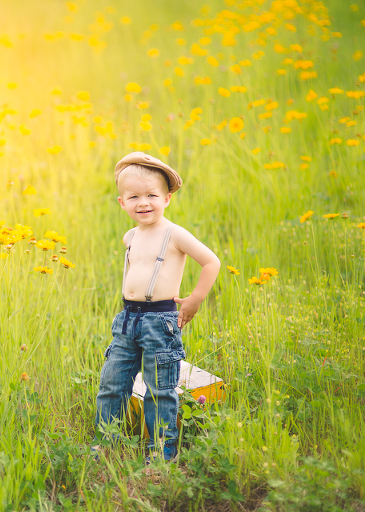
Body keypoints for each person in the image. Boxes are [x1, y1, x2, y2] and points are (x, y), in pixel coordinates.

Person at [94, 152, 221, 463]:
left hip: (160, 321)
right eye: (134, 197)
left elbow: (211, 262)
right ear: (122, 202)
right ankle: (107, 442)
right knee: (112, 382)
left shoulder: (174, 234)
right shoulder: (130, 236)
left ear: (167, 198)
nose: (143, 203)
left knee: (159, 389)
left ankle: (161, 453)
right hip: (127, 320)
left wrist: (195, 298)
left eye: (151, 195)